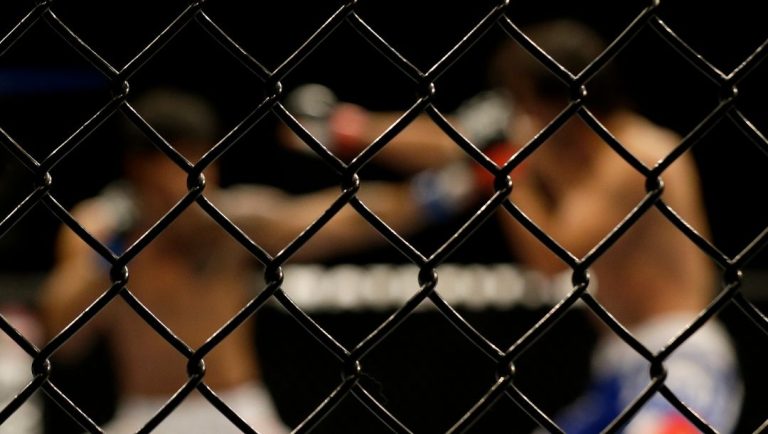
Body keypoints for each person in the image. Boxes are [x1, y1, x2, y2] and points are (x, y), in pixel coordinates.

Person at [280, 19, 744, 434]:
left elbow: (553, 256)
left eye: (522, 101)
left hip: (680, 359)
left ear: (557, 94)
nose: (518, 116)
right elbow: (454, 144)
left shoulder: (639, 155)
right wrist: (349, 130)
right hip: (620, 364)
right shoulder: (571, 148)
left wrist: (505, 168)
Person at [37, 87, 437, 433]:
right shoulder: (100, 229)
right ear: (140, 169)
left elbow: (341, 221)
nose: (199, 182)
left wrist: (444, 192)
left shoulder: (231, 223)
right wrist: (118, 250)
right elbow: (62, 340)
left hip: (237, 409)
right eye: (181, 168)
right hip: (146, 413)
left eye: (204, 164)